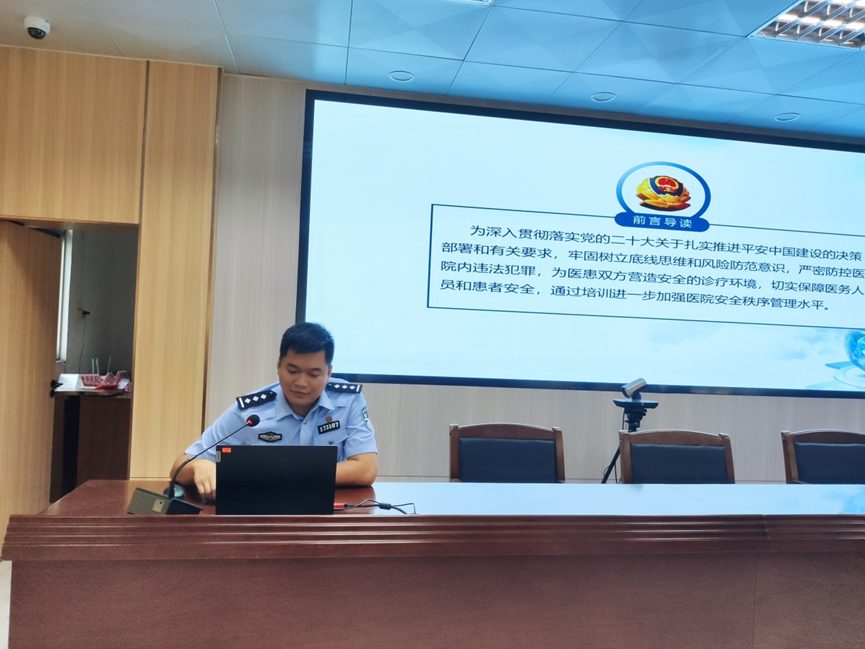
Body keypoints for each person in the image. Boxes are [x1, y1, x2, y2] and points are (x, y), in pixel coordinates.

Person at [170, 322, 377, 501]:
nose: (301, 382)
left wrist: (282, 475)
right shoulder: (251, 413)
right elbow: (178, 468)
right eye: (293, 371)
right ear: (279, 365)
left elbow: (366, 470)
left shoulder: (348, 401)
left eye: (314, 374)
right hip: (264, 513)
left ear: (329, 372)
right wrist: (198, 466)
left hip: (330, 512)